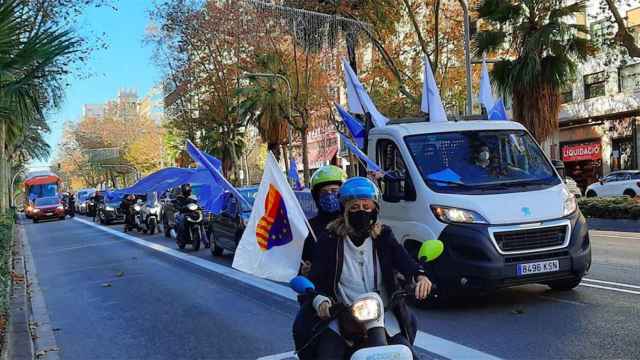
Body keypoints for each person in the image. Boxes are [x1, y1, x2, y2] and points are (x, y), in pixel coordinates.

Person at [294, 177, 432, 360]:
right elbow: (316, 279)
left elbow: (403, 260)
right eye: (354, 208)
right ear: (344, 210)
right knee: (327, 354)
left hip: (382, 313)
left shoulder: (384, 236)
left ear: (375, 209)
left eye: (367, 207)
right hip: (342, 313)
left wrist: (420, 276)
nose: (361, 212)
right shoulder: (329, 239)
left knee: (407, 353)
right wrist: (321, 301)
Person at [300, 165, 347, 276]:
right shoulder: (310, 227)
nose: (330, 195)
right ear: (317, 197)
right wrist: (304, 270)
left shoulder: (352, 223)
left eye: (334, 191)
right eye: (324, 192)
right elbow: (302, 259)